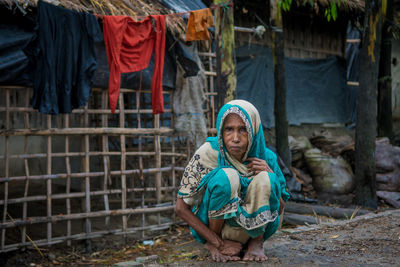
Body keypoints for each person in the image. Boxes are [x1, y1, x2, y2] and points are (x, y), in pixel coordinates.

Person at [175, 100, 290, 262]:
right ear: (221, 131)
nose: (235, 138)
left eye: (243, 129)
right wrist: (217, 243)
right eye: (229, 129)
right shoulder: (208, 154)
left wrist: (269, 174)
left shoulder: (265, 158)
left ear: (254, 130)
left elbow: (280, 208)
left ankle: (256, 244)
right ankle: (216, 244)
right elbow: (181, 208)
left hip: (254, 233)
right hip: (218, 231)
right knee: (226, 178)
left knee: (268, 179)